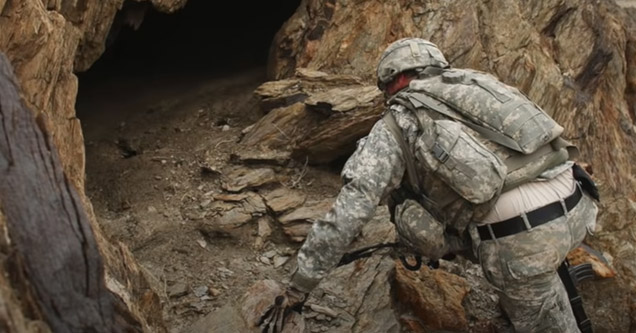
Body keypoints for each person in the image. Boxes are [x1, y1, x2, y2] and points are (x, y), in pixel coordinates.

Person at [254, 37, 599, 333]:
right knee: (537, 283)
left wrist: (300, 286)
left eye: (385, 88)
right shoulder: (480, 83)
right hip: (579, 201)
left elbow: (348, 214)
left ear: (398, 78)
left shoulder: (397, 121)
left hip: (522, 241)